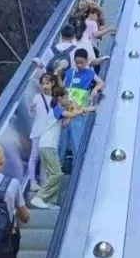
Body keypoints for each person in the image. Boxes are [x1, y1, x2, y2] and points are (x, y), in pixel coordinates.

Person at [30, 78, 94, 209]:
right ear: (60, 98)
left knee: (55, 174)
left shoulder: (58, 110)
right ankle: (40, 197)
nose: (68, 99)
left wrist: (71, 113)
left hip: (50, 146)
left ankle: (50, 201)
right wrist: (86, 109)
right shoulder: (56, 109)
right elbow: (70, 114)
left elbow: (64, 125)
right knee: (56, 174)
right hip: (47, 145)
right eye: (66, 97)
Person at [61, 48, 104, 156]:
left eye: (82, 63)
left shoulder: (90, 73)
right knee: (63, 139)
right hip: (67, 109)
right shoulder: (69, 73)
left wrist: (95, 89)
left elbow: (101, 83)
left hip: (80, 112)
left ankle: (77, 159)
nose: (79, 65)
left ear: (87, 61)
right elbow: (62, 90)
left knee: (78, 139)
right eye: (77, 62)